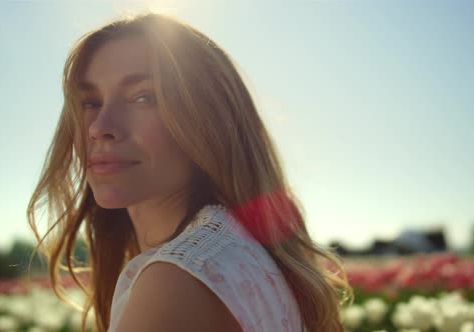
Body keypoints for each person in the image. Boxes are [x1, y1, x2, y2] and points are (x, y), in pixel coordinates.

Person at [27, 11, 352, 332]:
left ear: (208, 119)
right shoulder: (234, 255)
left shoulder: (178, 280)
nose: (100, 127)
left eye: (143, 97)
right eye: (90, 102)